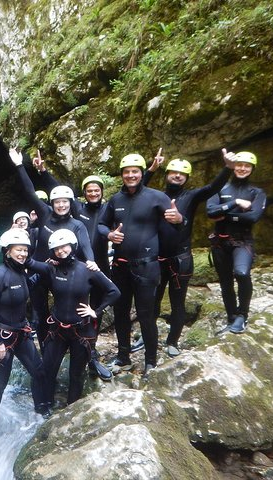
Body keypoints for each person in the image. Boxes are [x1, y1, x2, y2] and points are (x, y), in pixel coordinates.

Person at [135, 148, 234, 356]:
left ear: (186, 178)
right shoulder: (155, 196)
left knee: (177, 303)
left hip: (180, 259)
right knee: (152, 301)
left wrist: (228, 168)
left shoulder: (191, 196)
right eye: (173, 172)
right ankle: (146, 337)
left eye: (182, 173)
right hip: (156, 258)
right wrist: (151, 169)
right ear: (167, 174)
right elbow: (136, 187)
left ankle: (173, 342)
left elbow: (212, 187)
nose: (177, 175)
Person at [98, 152, 185, 377]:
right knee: (120, 313)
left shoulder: (157, 197)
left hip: (146, 266)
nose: (130, 175)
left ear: (141, 173)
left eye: (135, 171)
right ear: (122, 175)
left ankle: (150, 361)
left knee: (146, 315)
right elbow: (100, 224)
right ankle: (123, 357)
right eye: (126, 172)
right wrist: (108, 235)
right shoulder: (116, 200)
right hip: (120, 266)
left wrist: (180, 219)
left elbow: (175, 229)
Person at [9, 148, 98, 345]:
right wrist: (19, 165)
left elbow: (85, 245)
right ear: (52, 203)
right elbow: (29, 191)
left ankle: (87, 350)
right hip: (41, 270)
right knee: (40, 314)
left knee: (73, 310)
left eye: (65, 202)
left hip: (65, 272)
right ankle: (44, 345)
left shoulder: (77, 225)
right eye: (57, 202)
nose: (61, 206)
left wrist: (91, 261)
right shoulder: (44, 213)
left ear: (70, 203)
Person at [31, 230, 120, 406]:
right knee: (48, 371)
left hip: (82, 331)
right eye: (56, 249)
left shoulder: (88, 269)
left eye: (64, 246)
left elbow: (114, 292)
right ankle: (46, 408)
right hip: (57, 330)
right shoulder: (51, 269)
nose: (61, 251)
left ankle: (70, 411)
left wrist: (96, 311)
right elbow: (30, 267)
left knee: (76, 375)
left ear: (72, 246)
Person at [0, 229, 49, 434]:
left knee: (39, 371)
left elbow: (25, 287)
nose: (22, 254)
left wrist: (49, 267)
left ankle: (41, 411)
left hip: (21, 332)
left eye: (25, 250)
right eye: (18, 250)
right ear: (7, 251)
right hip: (1, 336)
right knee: (0, 382)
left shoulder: (21, 272)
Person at [206, 151, 266, 334]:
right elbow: (210, 212)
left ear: (252, 169)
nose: (242, 168)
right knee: (225, 282)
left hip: (242, 241)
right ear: (233, 166)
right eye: (239, 164)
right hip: (220, 243)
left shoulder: (257, 192)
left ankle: (242, 315)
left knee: (241, 273)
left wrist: (225, 215)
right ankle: (232, 318)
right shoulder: (220, 188)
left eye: (247, 166)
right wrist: (236, 203)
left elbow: (254, 216)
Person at [75, 174, 114, 380]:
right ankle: (78, 347)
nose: (92, 193)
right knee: (78, 309)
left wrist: (148, 172)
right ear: (84, 193)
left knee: (95, 312)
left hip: (100, 269)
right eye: (89, 190)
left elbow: (131, 195)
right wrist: (42, 171)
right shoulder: (77, 209)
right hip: (79, 269)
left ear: (101, 192)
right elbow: (58, 194)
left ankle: (92, 353)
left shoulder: (109, 209)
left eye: (96, 190)